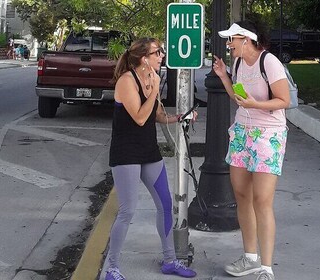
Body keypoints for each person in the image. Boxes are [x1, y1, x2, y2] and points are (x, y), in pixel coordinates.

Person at [106, 37, 197, 280]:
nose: (162, 56)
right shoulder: (127, 81)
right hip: (126, 153)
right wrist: (155, 88)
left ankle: (170, 260)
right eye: (158, 52)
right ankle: (112, 268)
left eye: (162, 52)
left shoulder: (151, 78)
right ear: (144, 58)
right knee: (127, 210)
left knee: (165, 204)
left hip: (148, 151)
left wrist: (180, 117)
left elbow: (155, 116)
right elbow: (138, 116)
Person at [212, 20, 290, 280]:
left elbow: (284, 100)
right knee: (242, 195)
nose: (228, 44)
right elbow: (238, 98)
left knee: (262, 200)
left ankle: (266, 268)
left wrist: (256, 104)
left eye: (232, 39)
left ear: (246, 39)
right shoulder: (236, 64)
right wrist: (224, 76)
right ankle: (250, 257)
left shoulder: (269, 62)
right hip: (242, 133)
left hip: (268, 136)